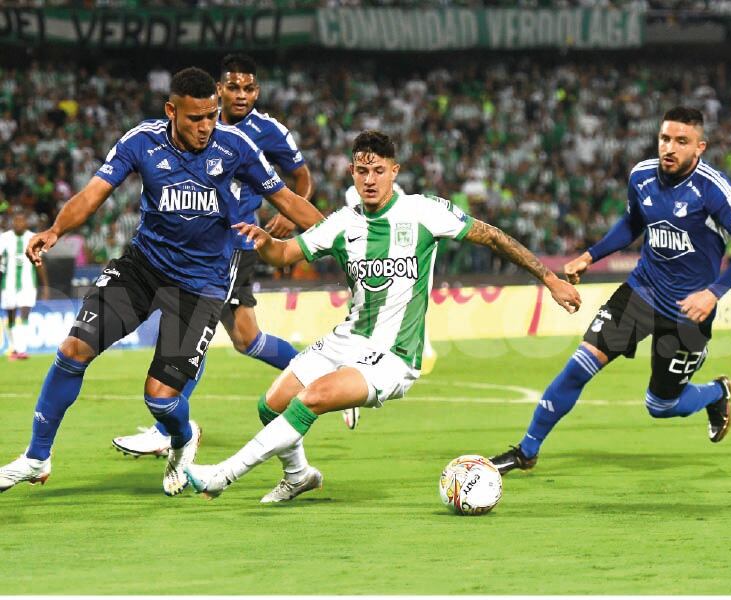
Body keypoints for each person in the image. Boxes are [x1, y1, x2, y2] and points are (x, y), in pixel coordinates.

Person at [183, 130, 581, 503]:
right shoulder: (341, 223)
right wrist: (266, 243)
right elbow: (285, 255)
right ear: (351, 172)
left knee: (314, 398)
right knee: (270, 405)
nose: (369, 179)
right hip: (347, 338)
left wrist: (550, 279)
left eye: (378, 170)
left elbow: (493, 236)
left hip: (394, 354)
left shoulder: (423, 212)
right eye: (362, 170)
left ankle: (224, 474)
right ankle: (299, 475)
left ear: (395, 171)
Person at [0, 67, 322, 496]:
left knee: (160, 398)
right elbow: (95, 192)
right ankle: (36, 457)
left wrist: (344, 240)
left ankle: (182, 437)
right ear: (171, 110)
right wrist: (56, 230)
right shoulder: (142, 141)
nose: (206, 126)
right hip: (142, 268)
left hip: (201, 283)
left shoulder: (236, 147)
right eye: (195, 118)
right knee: (73, 348)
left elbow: (288, 201)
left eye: (211, 115)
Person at [489, 107, 731, 475]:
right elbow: (633, 222)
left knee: (661, 405)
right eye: (665, 138)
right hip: (643, 292)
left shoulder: (713, 190)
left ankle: (717, 393)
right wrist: (591, 255)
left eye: (681, 141)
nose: (669, 147)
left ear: (700, 147)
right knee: (579, 366)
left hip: (688, 311)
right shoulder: (642, 176)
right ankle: (526, 451)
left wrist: (713, 292)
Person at [111, 53, 317, 458]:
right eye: (234, 87)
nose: (242, 95)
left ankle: (166, 426)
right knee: (247, 339)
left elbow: (300, 179)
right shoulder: (195, 124)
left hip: (233, 246)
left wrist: (290, 216)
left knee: (194, 328)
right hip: (200, 247)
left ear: (257, 91)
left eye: (249, 88)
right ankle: (318, 373)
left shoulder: (266, 131)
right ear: (218, 91)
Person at [340, 182, 438, 430]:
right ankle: (349, 382)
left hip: (392, 267)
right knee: (367, 323)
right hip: (374, 268)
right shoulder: (363, 196)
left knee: (400, 313)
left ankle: (351, 378)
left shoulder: (404, 200)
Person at [1, 211, 49, 360]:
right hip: (7, 284)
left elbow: (39, 264)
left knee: (24, 314)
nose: (19, 224)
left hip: (28, 284)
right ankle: (14, 348)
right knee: (10, 316)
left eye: (22, 221)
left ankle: (21, 349)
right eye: (16, 221)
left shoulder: (33, 238)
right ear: (12, 222)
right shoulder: (4, 238)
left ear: (26, 223)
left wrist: (45, 286)